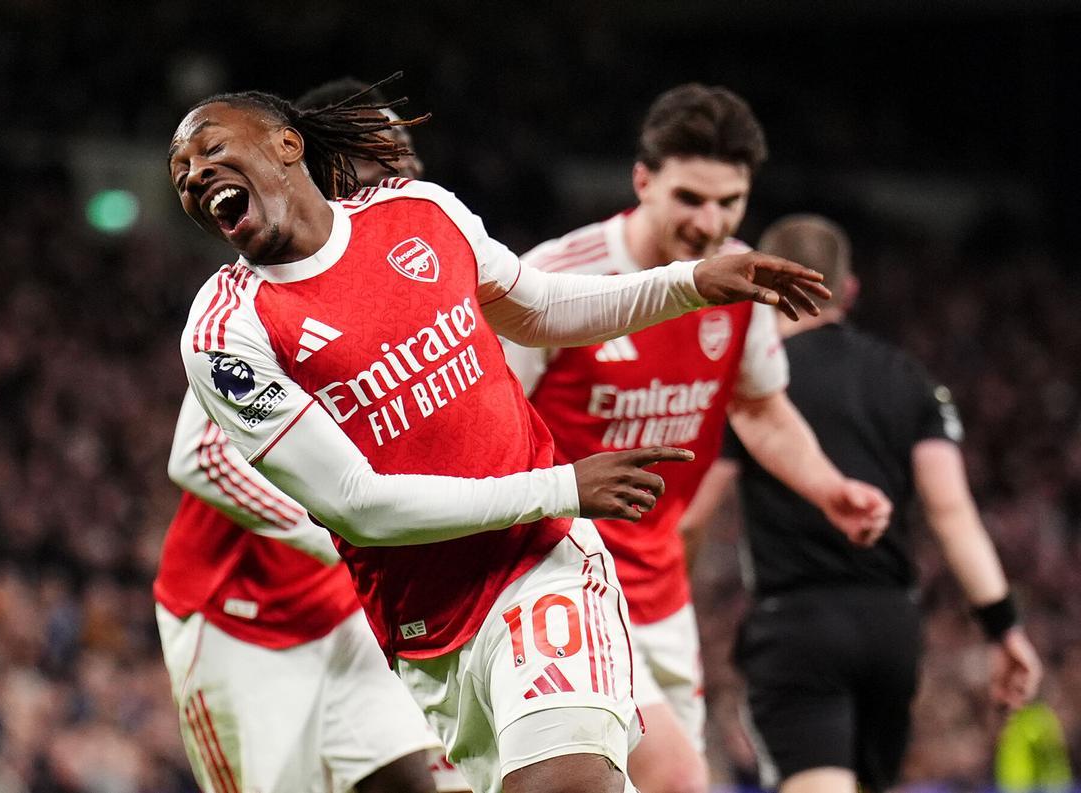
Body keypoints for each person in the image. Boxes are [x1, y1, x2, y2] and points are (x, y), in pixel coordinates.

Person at [167, 82, 832, 793]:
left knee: (590, 779)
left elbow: (539, 307)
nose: (196, 174)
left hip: (539, 560)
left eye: (209, 151)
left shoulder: (420, 214)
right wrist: (563, 485)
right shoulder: (227, 333)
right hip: (406, 624)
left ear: (287, 145)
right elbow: (357, 503)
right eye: (181, 174)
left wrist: (690, 283)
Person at [501, 84, 891, 793]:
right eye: (690, 197)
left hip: (661, 589)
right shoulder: (557, 276)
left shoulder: (742, 278)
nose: (710, 221)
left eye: (729, 201)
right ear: (643, 181)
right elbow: (482, 422)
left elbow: (762, 410)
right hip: (559, 571)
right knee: (675, 774)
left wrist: (828, 486)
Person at [154, 79, 467, 793]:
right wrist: (343, 528)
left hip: (346, 616)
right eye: (382, 164)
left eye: (408, 159)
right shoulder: (264, 298)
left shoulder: (408, 272)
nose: (405, 176)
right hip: (243, 621)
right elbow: (197, 456)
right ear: (324, 173)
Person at [690, 214, 1043, 793]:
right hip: (890, 626)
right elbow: (953, 514)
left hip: (797, 624)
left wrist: (664, 611)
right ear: (848, 290)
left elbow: (696, 510)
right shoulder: (909, 379)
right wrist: (1004, 628)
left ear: (762, 292)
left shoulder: (752, 384)